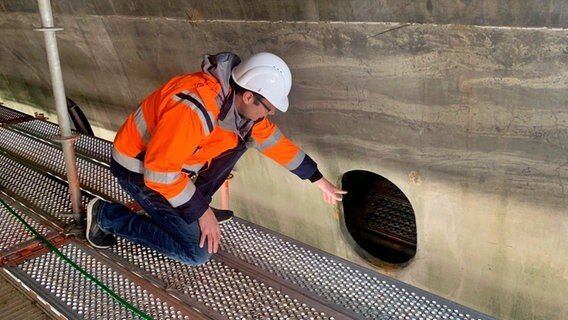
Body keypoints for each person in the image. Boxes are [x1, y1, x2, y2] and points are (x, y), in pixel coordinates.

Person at [85, 52, 346, 266]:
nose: (272, 112)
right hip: (139, 169)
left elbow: (275, 143)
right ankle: (106, 217)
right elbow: (160, 173)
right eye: (268, 107)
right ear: (248, 96)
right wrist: (201, 211)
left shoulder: (239, 109)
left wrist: (318, 179)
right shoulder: (193, 109)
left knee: (243, 142)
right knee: (196, 253)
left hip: (169, 169)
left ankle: (182, 209)